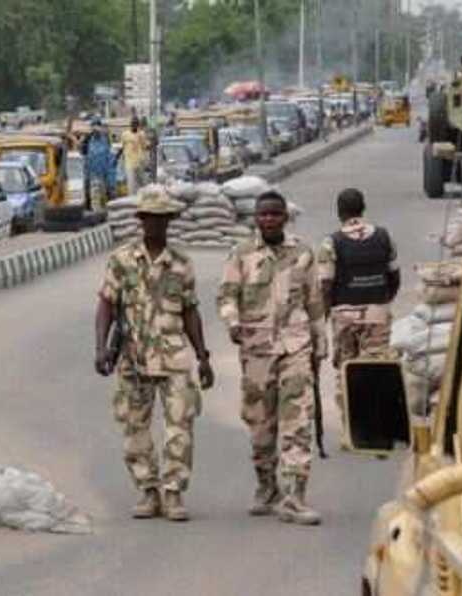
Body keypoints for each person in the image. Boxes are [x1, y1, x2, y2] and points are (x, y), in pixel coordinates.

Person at [95, 187, 214, 522]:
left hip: (174, 357)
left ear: (169, 221)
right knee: (134, 426)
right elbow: (106, 304)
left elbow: (191, 310)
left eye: (161, 219)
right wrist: (101, 348)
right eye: (150, 218)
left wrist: (203, 356)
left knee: (180, 426)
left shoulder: (181, 264)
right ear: (141, 220)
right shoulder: (121, 260)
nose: (155, 224)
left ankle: (173, 492)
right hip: (133, 357)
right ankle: (148, 490)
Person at [217, 191, 326, 526]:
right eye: (263, 215)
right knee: (261, 425)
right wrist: (233, 322)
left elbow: (314, 302)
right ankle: (267, 486)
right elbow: (226, 295)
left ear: (284, 217)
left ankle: (296, 495)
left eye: (275, 214)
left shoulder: (303, 254)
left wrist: (320, 344)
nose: (268, 220)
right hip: (257, 348)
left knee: (297, 421)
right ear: (256, 218)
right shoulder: (241, 254)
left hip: (295, 347)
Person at [315, 189, 399, 447]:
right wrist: (380, 302)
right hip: (377, 315)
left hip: (344, 318)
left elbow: (326, 286)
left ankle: (352, 434)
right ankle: (378, 432)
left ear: (339, 212)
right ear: (363, 208)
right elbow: (394, 277)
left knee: (347, 372)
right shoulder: (384, 237)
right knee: (377, 370)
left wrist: (324, 318)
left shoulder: (331, 243)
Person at [82, 116, 113, 209]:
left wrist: (110, 179)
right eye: (93, 126)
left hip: (104, 175)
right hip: (93, 176)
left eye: (97, 126)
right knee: (95, 199)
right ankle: (97, 215)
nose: (95, 129)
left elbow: (109, 158)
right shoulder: (88, 140)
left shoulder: (105, 140)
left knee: (105, 199)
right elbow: (84, 155)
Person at [120, 118, 149, 196]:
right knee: (131, 184)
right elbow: (122, 147)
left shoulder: (141, 134)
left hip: (139, 162)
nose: (134, 126)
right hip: (129, 163)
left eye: (136, 124)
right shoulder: (125, 134)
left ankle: (144, 197)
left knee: (142, 183)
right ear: (130, 125)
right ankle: (132, 198)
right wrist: (119, 159)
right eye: (133, 124)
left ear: (138, 125)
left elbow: (145, 147)